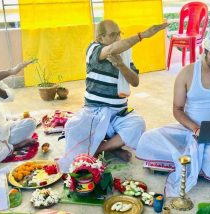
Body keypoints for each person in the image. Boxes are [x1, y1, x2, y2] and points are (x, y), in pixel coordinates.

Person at [136, 0, 210, 196]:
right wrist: (195, 128)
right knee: (148, 139)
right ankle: (197, 162)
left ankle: (189, 162)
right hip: (188, 129)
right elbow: (177, 109)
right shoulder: (187, 73)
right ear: (205, 50)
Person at [57, 20, 169, 172]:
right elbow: (111, 49)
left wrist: (121, 65)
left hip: (118, 114)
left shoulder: (125, 54)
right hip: (94, 113)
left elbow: (135, 82)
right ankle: (111, 148)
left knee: (137, 124)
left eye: (119, 34)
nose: (118, 38)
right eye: (113, 35)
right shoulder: (93, 49)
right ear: (100, 38)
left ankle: (99, 149)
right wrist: (143, 35)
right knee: (72, 128)